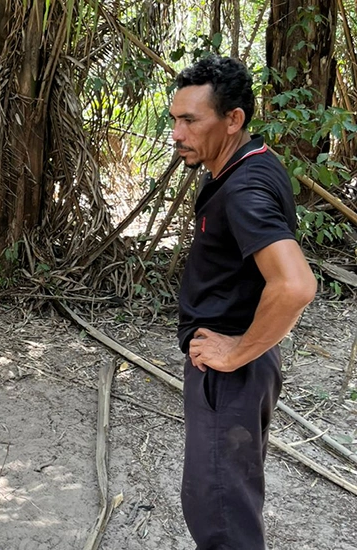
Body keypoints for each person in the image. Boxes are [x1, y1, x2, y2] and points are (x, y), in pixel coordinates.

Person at [170, 56, 317, 549]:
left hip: (231, 374)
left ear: (233, 119)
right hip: (243, 368)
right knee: (225, 500)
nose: (177, 133)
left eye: (191, 120)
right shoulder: (249, 164)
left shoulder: (245, 186)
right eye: (174, 118)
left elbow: (295, 285)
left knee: (221, 518)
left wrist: (234, 353)